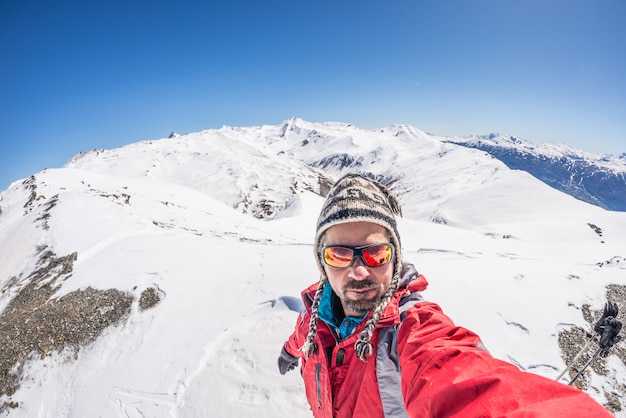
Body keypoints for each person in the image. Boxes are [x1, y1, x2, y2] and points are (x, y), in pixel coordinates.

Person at [277, 173, 613, 418]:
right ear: (322, 264)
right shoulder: (314, 315)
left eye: (377, 254)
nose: (359, 272)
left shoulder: (411, 328)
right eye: (338, 256)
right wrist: (291, 352)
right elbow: (304, 331)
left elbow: (462, 379)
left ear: (395, 258)